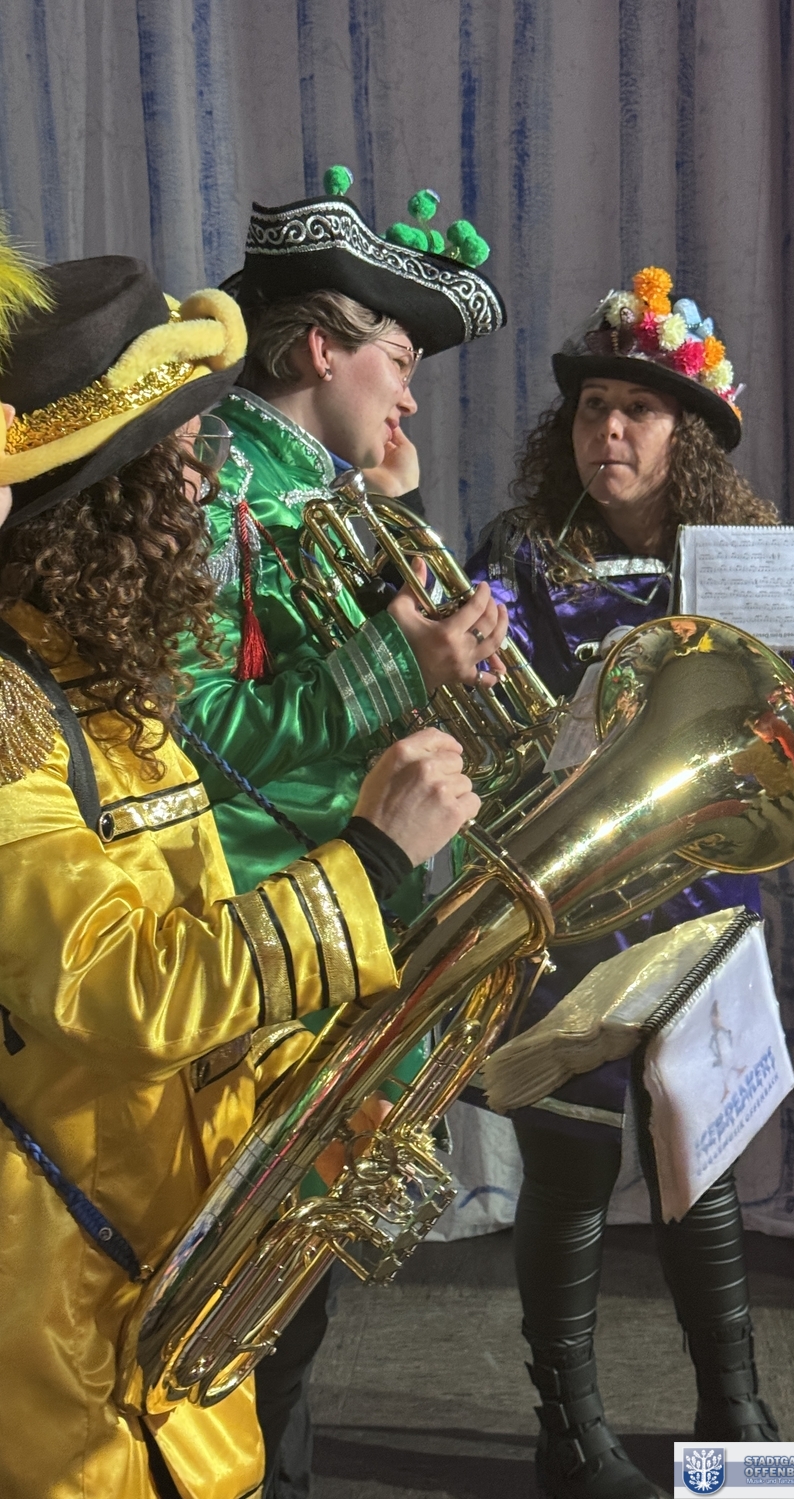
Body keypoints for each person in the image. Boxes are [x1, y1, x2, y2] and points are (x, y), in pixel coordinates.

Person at [0, 249, 479, 1499]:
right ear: (103, 501)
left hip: (168, 1286)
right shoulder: (12, 712)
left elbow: (199, 939)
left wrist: (320, 1104)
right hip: (63, 1328)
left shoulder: (115, 690)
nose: (210, 481)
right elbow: (117, 988)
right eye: (180, 457)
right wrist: (369, 860)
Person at [175, 168, 509, 1497]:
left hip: (345, 936)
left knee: (291, 1311)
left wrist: (415, 584)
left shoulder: (324, 491)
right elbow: (193, 734)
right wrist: (396, 661)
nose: (409, 396)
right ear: (320, 348)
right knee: (242, 1318)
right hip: (262, 955)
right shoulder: (208, 486)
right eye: (399, 360)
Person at [466, 267, 780, 1499]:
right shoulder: (518, 557)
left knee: (705, 1156)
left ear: (683, 433)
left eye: (637, 409)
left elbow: (776, 726)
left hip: (699, 900)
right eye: (593, 407)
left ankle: (736, 1416)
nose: (609, 429)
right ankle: (570, 1432)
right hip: (568, 911)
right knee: (571, 1168)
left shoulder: (739, 560)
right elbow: (487, 710)